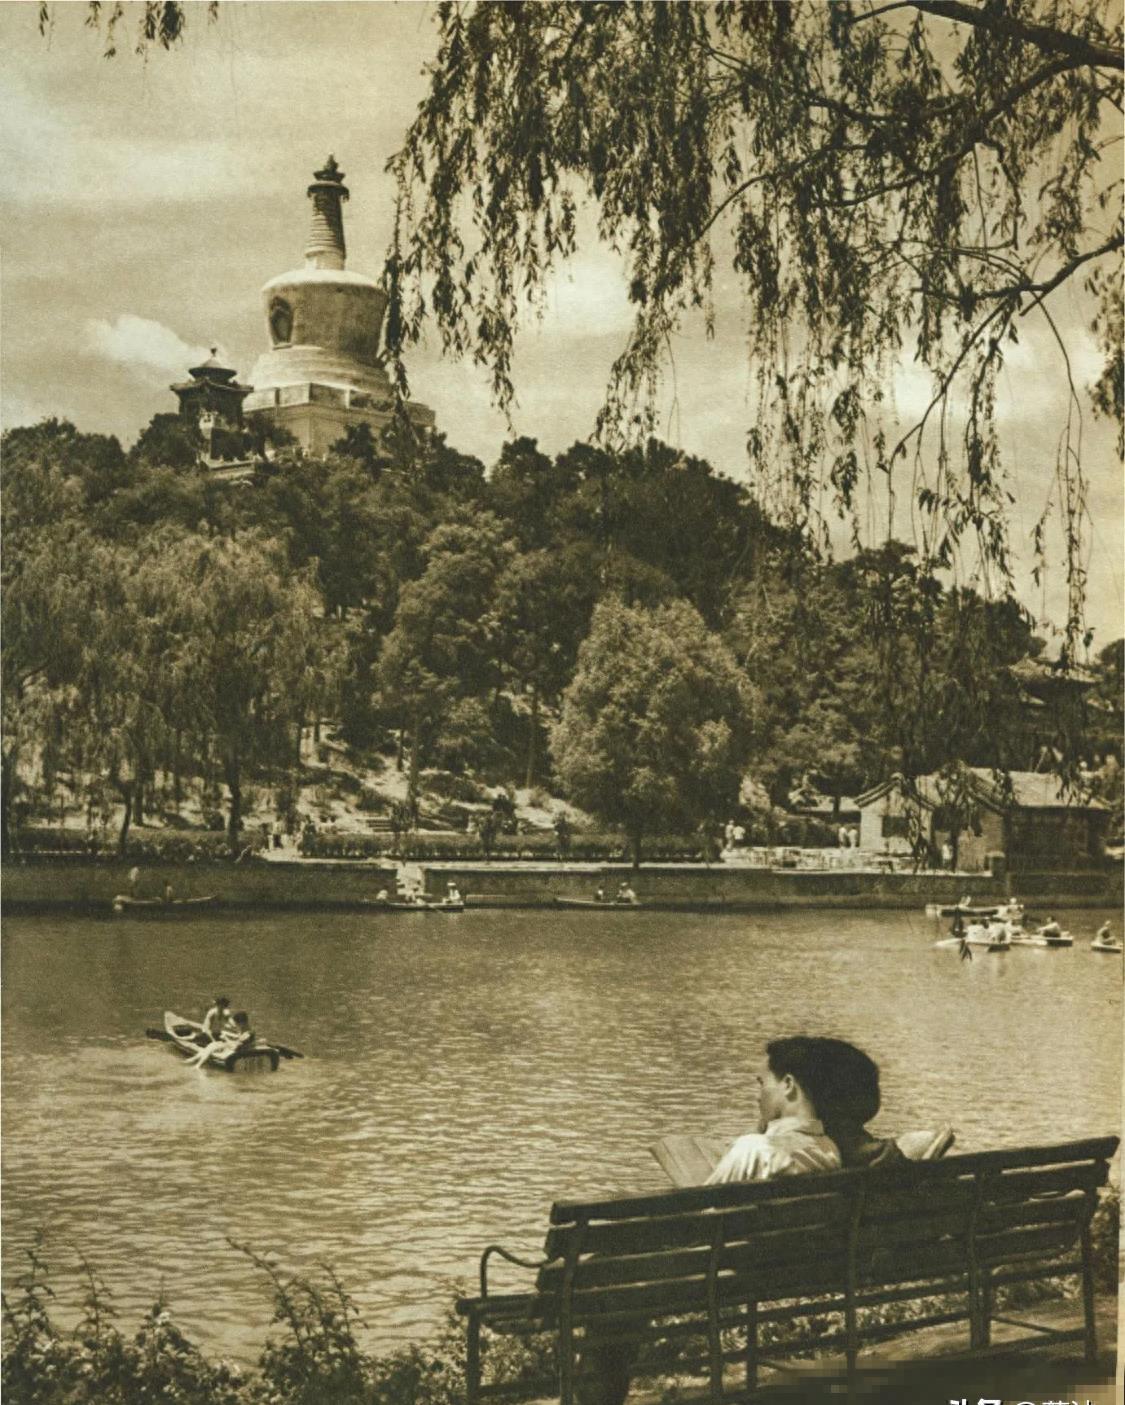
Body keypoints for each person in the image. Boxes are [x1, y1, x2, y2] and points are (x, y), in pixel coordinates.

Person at [581, 1038, 882, 1405]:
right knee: (614, 1283)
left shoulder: (754, 1149)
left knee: (606, 1284)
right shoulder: (829, 1150)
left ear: (789, 1085)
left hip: (724, 1273)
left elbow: (698, 1221)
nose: (757, 1094)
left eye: (762, 1083)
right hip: (781, 1267)